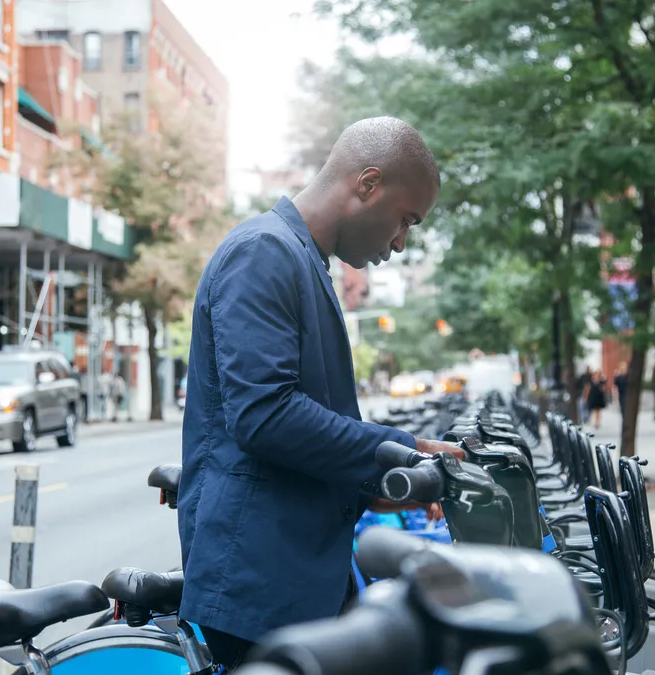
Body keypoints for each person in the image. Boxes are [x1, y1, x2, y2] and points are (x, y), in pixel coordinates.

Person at [177, 117, 464, 670]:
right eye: (406, 220)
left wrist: (384, 482)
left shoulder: (304, 260)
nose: (402, 243)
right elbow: (265, 416)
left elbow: (311, 435)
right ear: (368, 183)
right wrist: (399, 451)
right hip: (259, 582)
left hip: (298, 573)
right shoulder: (263, 251)